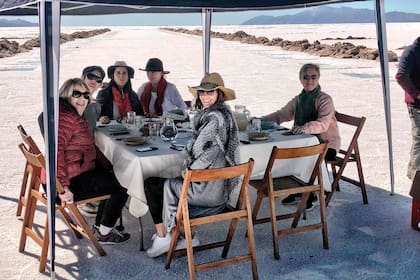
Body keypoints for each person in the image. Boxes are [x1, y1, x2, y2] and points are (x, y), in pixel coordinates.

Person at [144, 72, 240, 258]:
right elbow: (205, 151)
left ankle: (166, 236)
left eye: (210, 93)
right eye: (202, 92)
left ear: (218, 94)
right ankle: (183, 235)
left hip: (209, 193)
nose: (205, 96)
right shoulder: (225, 115)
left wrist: (185, 171)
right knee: (163, 182)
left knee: (153, 184)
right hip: (219, 188)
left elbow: (203, 158)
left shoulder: (215, 120)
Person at [57, 78, 130, 244]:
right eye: (76, 94)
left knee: (113, 174)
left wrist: (109, 165)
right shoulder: (66, 119)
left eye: (85, 95)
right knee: (123, 185)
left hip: (76, 172)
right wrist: (63, 188)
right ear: (66, 95)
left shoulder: (72, 115)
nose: (82, 99)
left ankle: (101, 225)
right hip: (66, 184)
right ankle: (105, 232)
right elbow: (56, 153)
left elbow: (89, 147)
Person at [261, 63, 341, 210]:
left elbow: (323, 124)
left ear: (318, 78)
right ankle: (298, 188)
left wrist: (305, 128)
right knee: (284, 153)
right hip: (302, 140)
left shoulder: (325, 100)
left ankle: (310, 193)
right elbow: (281, 114)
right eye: (305, 77)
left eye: (313, 77)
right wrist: (260, 120)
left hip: (326, 143)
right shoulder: (298, 100)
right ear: (300, 79)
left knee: (304, 156)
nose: (309, 81)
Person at [395, 37, 420, 180]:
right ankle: (417, 180)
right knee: (419, 140)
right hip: (417, 106)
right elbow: (401, 76)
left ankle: (413, 173)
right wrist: (416, 94)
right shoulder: (412, 52)